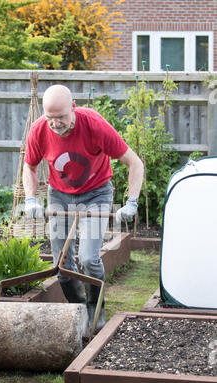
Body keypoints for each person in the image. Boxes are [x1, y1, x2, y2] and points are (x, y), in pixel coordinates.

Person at [22, 84, 144, 334]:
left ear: (73, 106)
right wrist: (31, 199)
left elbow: (134, 162)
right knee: (62, 265)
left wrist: (131, 202)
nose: (55, 124)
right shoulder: (39, 131)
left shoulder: (94, 125)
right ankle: (77, 308)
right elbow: (30, 167)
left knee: (89, 258)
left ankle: (94, 307)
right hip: (60, 197)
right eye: (50, 118)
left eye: (61, 117)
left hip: (96, 195)